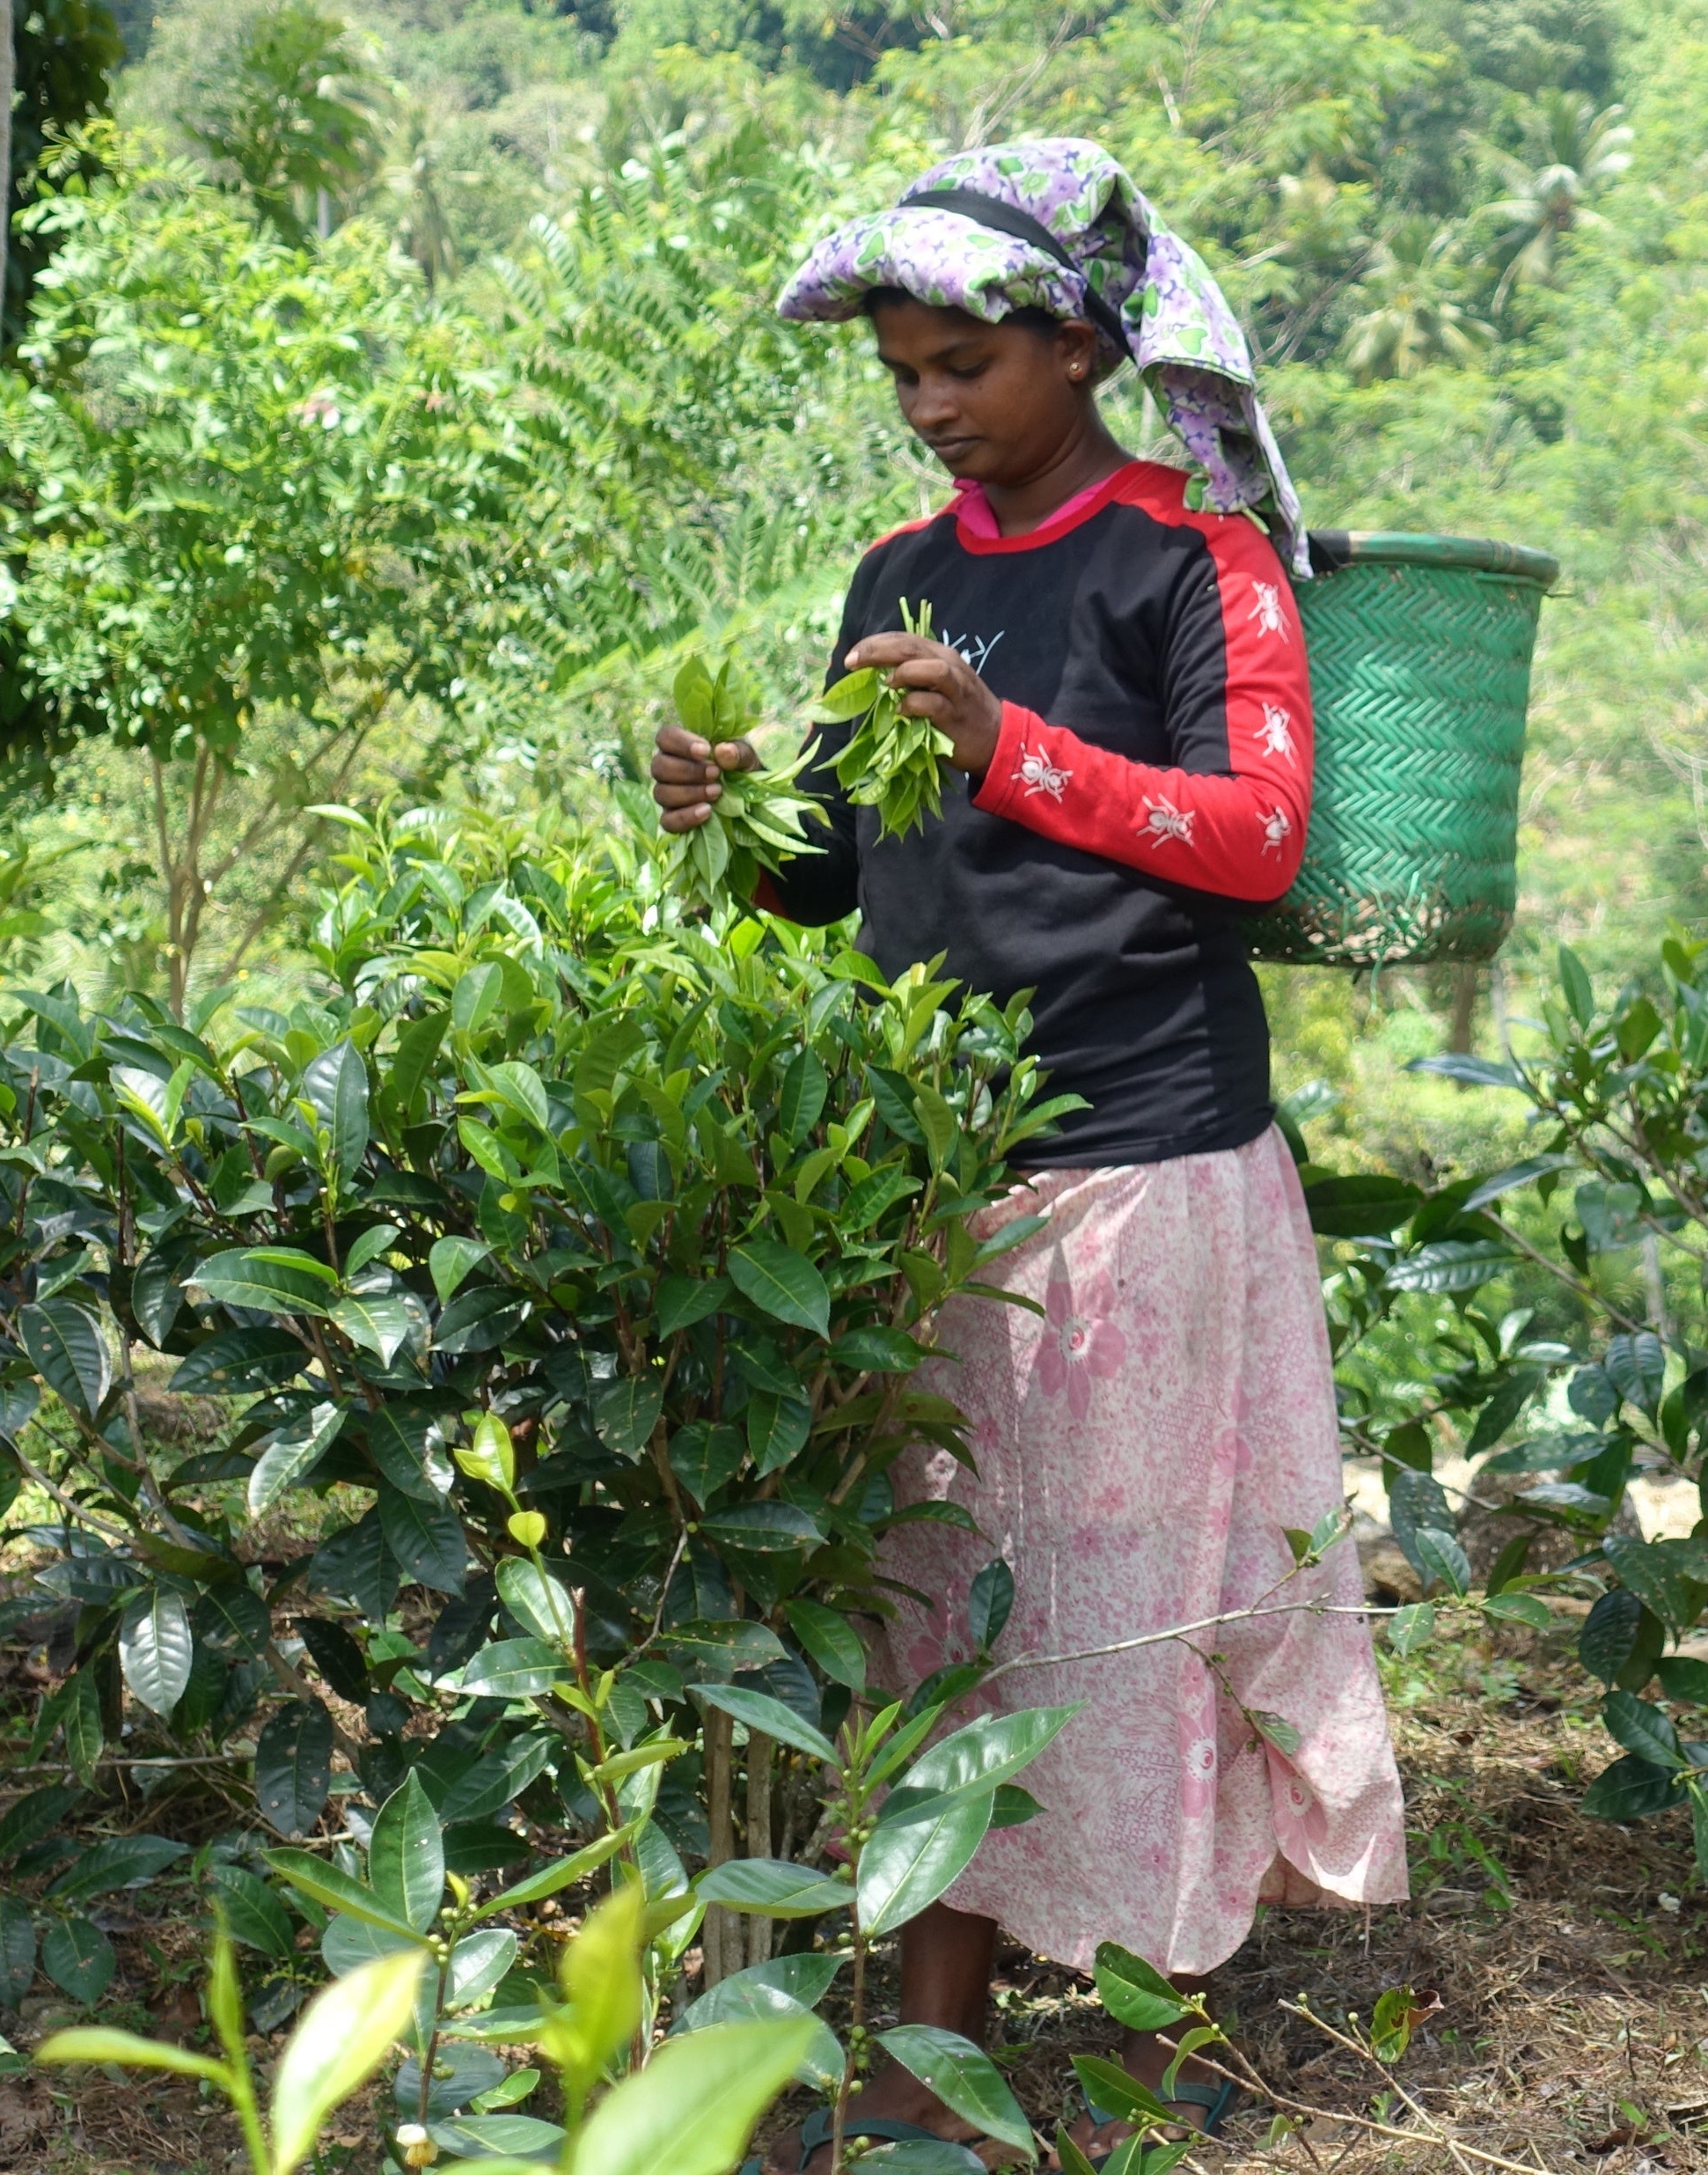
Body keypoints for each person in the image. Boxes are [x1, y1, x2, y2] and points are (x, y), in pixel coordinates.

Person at [650, 139, 1407, 2168]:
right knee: (942, 1596)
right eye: (900, 371)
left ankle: (1156, 2055)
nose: (926, 401)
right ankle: (927, 2064)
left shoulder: (1192, 554)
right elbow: (839, 874)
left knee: (1137, 1608)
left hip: (1149, 1154)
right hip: (938, 1165)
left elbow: (1252, 835)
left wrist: (1010, 749)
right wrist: (725, 812)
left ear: (1077, 346)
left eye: (961, 361)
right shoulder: (900, 576)